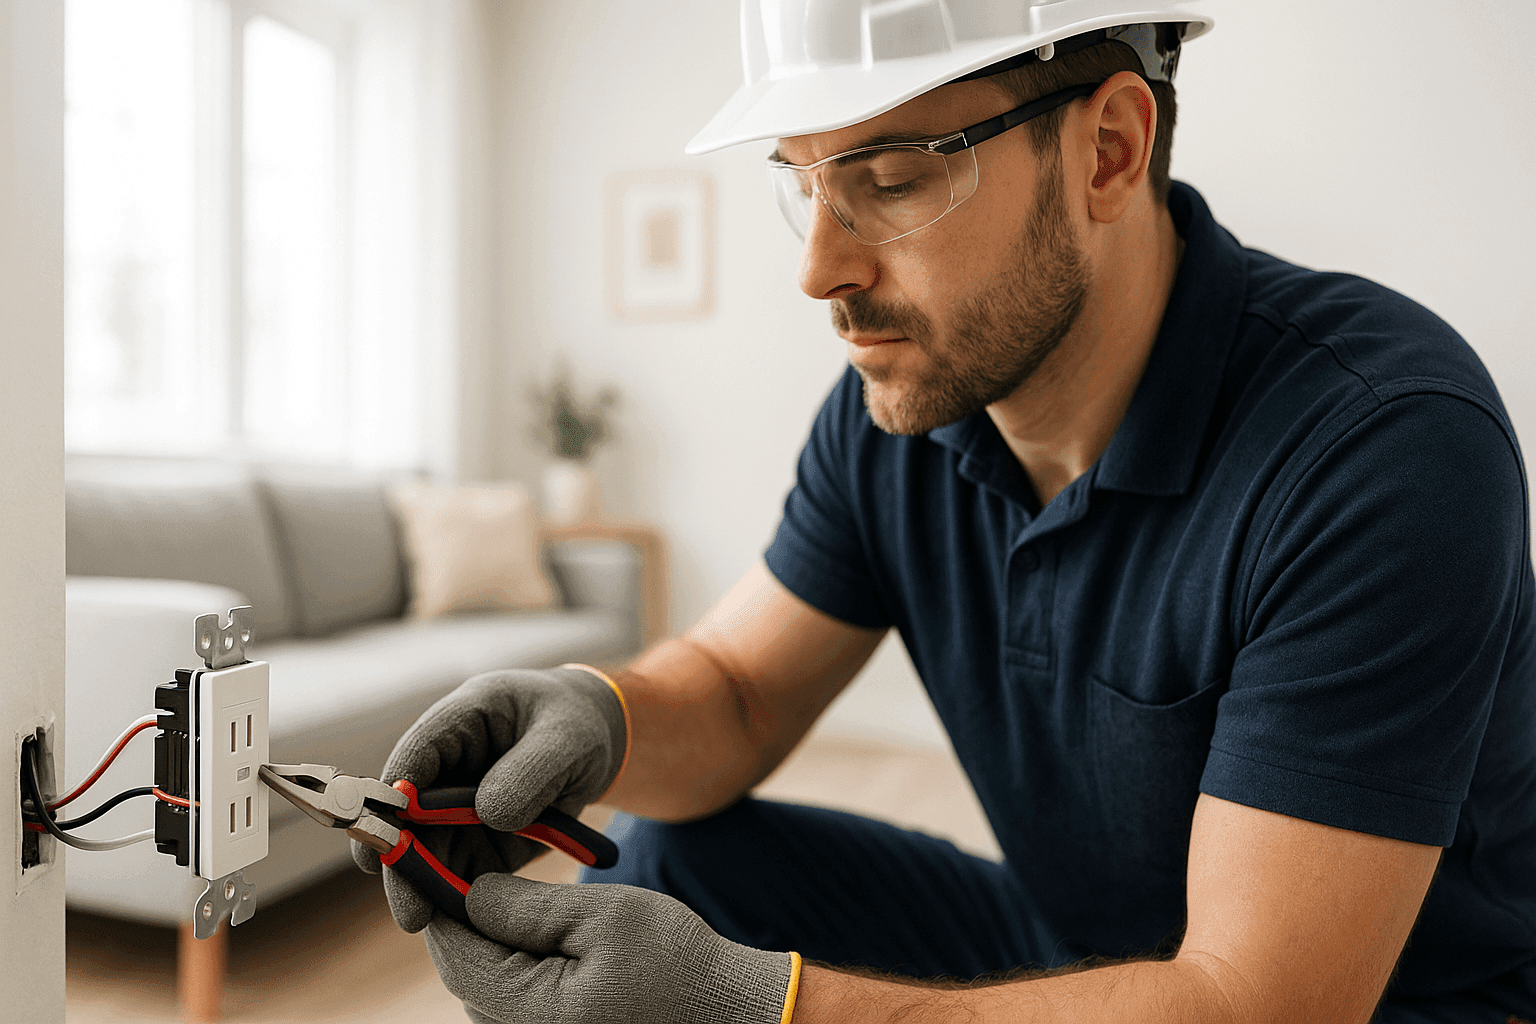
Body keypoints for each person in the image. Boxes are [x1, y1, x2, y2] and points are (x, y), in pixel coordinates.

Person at [354, 2, 1536, 1021]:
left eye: (890, 179)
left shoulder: (1382, 442)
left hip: (1378, 1000)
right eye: (805, 183)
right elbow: (741, 686)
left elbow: (1253, 1001)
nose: (819, 268)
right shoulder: (906, 406)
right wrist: (596, 714)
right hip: (1097, 945)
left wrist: (756, 1007)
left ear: (1110, 152)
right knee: (670, 858)